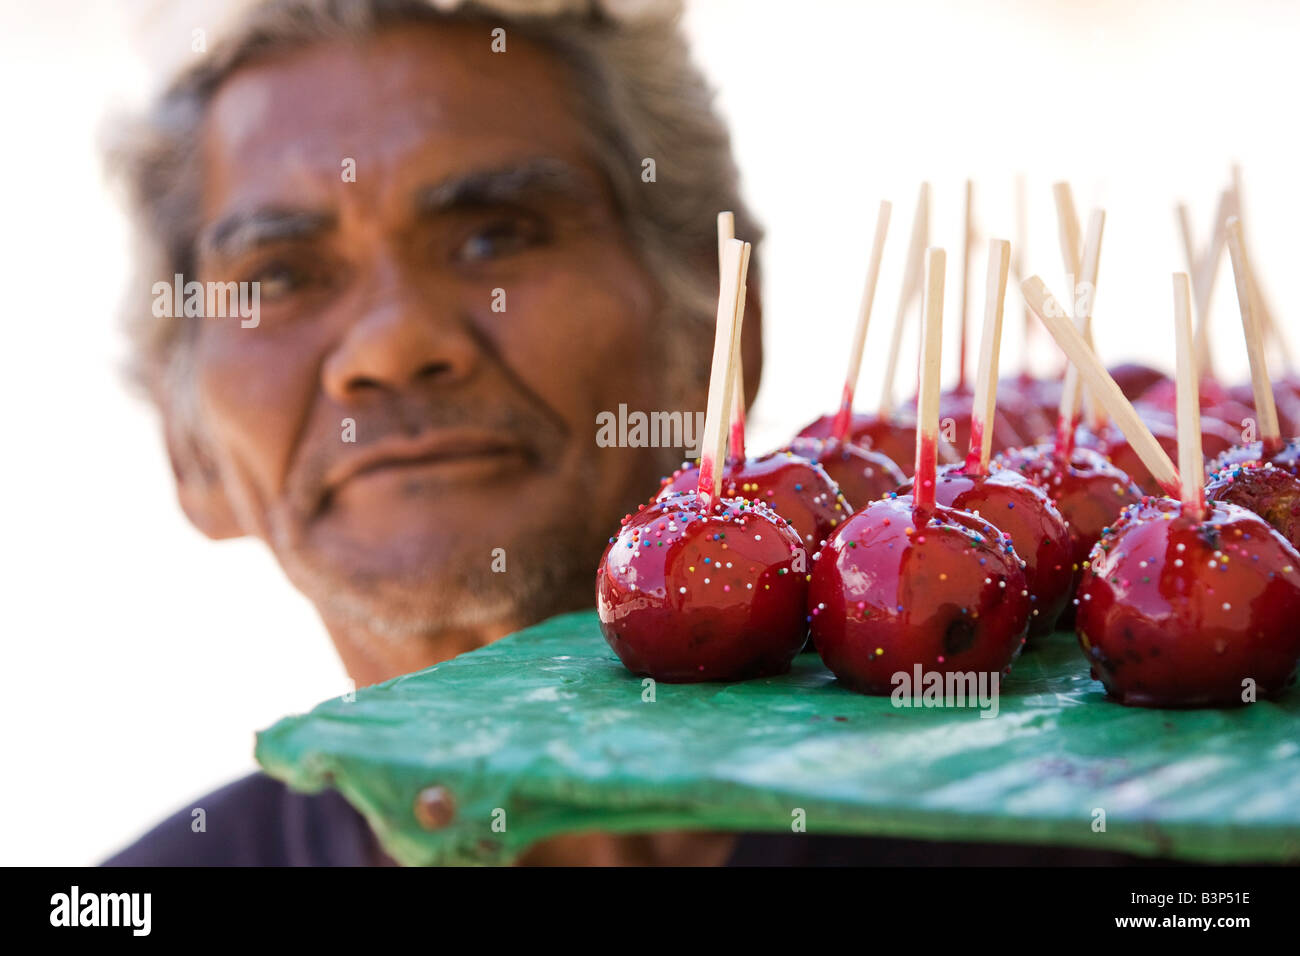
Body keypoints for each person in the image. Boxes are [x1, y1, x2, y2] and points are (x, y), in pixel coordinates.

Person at [102, 0, 1153, 867]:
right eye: (278, 276)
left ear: (715, 331)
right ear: (189, 446)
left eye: (491, 235)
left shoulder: (1095, 841)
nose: (393, 342)